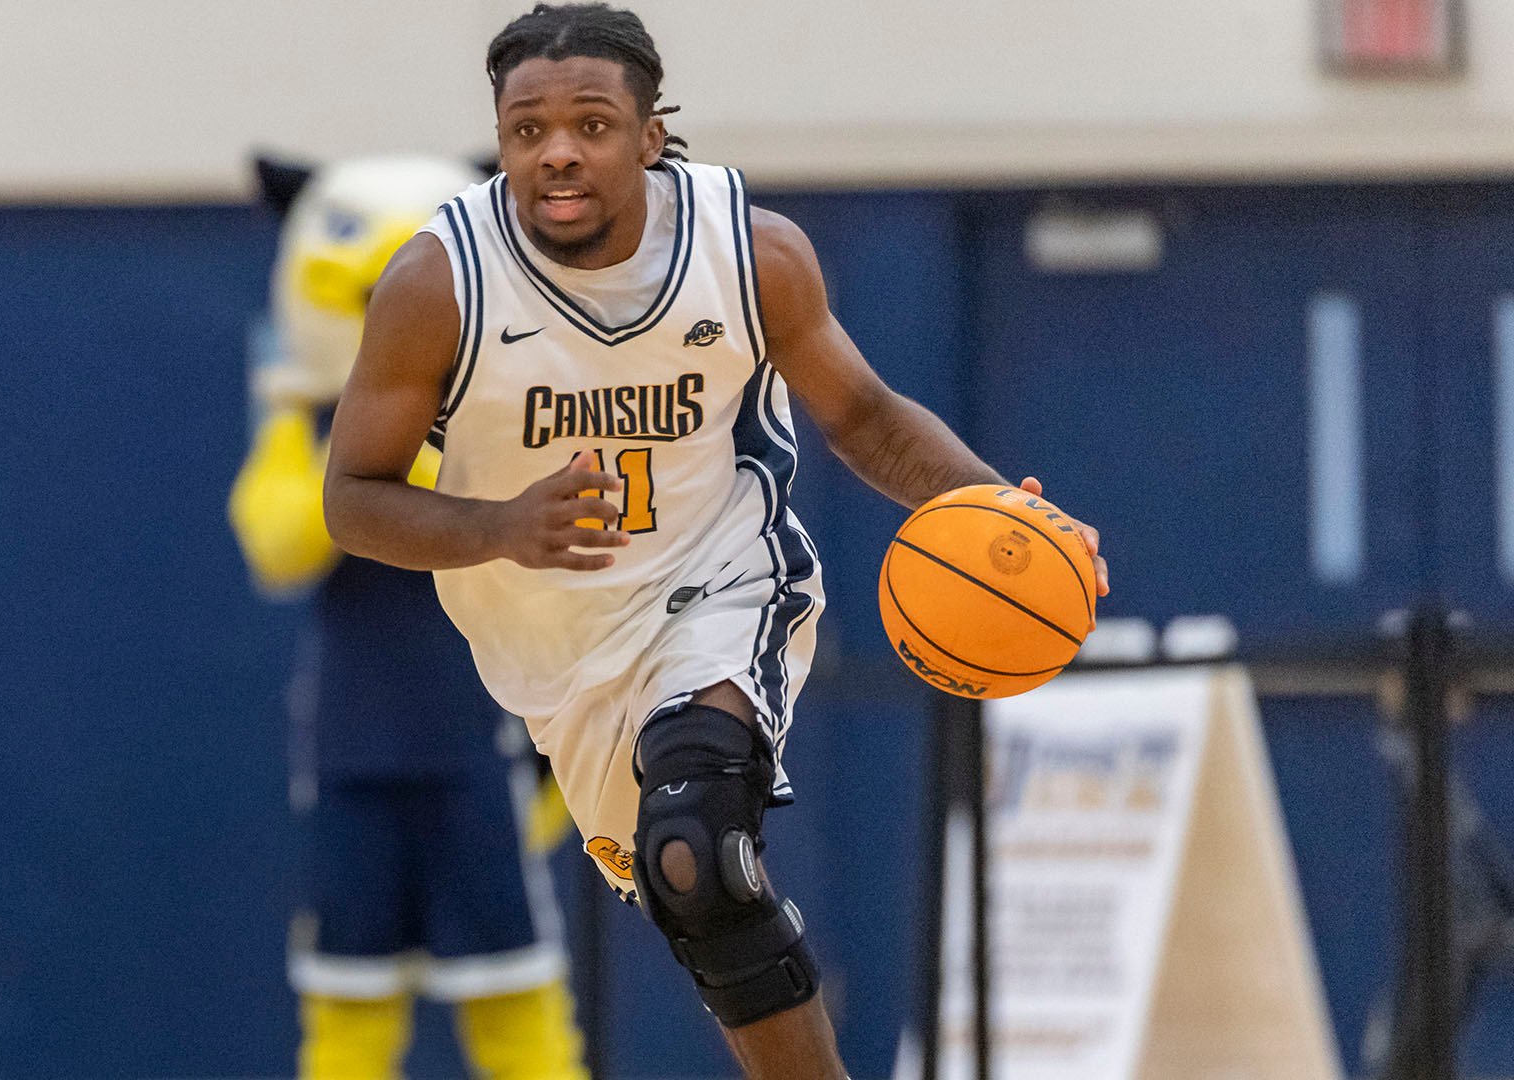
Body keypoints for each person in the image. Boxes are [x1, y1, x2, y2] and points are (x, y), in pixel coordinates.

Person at [322, 6, 1110, 1077]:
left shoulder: (749, 254)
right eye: (527, 129)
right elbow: (354, 502)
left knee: (699, 850)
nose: (556, 150)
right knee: (692, 899)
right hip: (554, 660)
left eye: (591, 124)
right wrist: (505, 526)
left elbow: (866, 416)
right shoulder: (438, 284)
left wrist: (1012, 518)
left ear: (649, 135)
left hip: (718, 584)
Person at [230, 154, 588, 1080]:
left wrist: (410, 457)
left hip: (479, 746)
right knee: (347, 1015)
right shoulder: (303, 420)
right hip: (351, 754)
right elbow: (278, 544)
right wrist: (360, 448)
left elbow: (529, 525)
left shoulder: (499, 407)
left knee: (519, 1006)